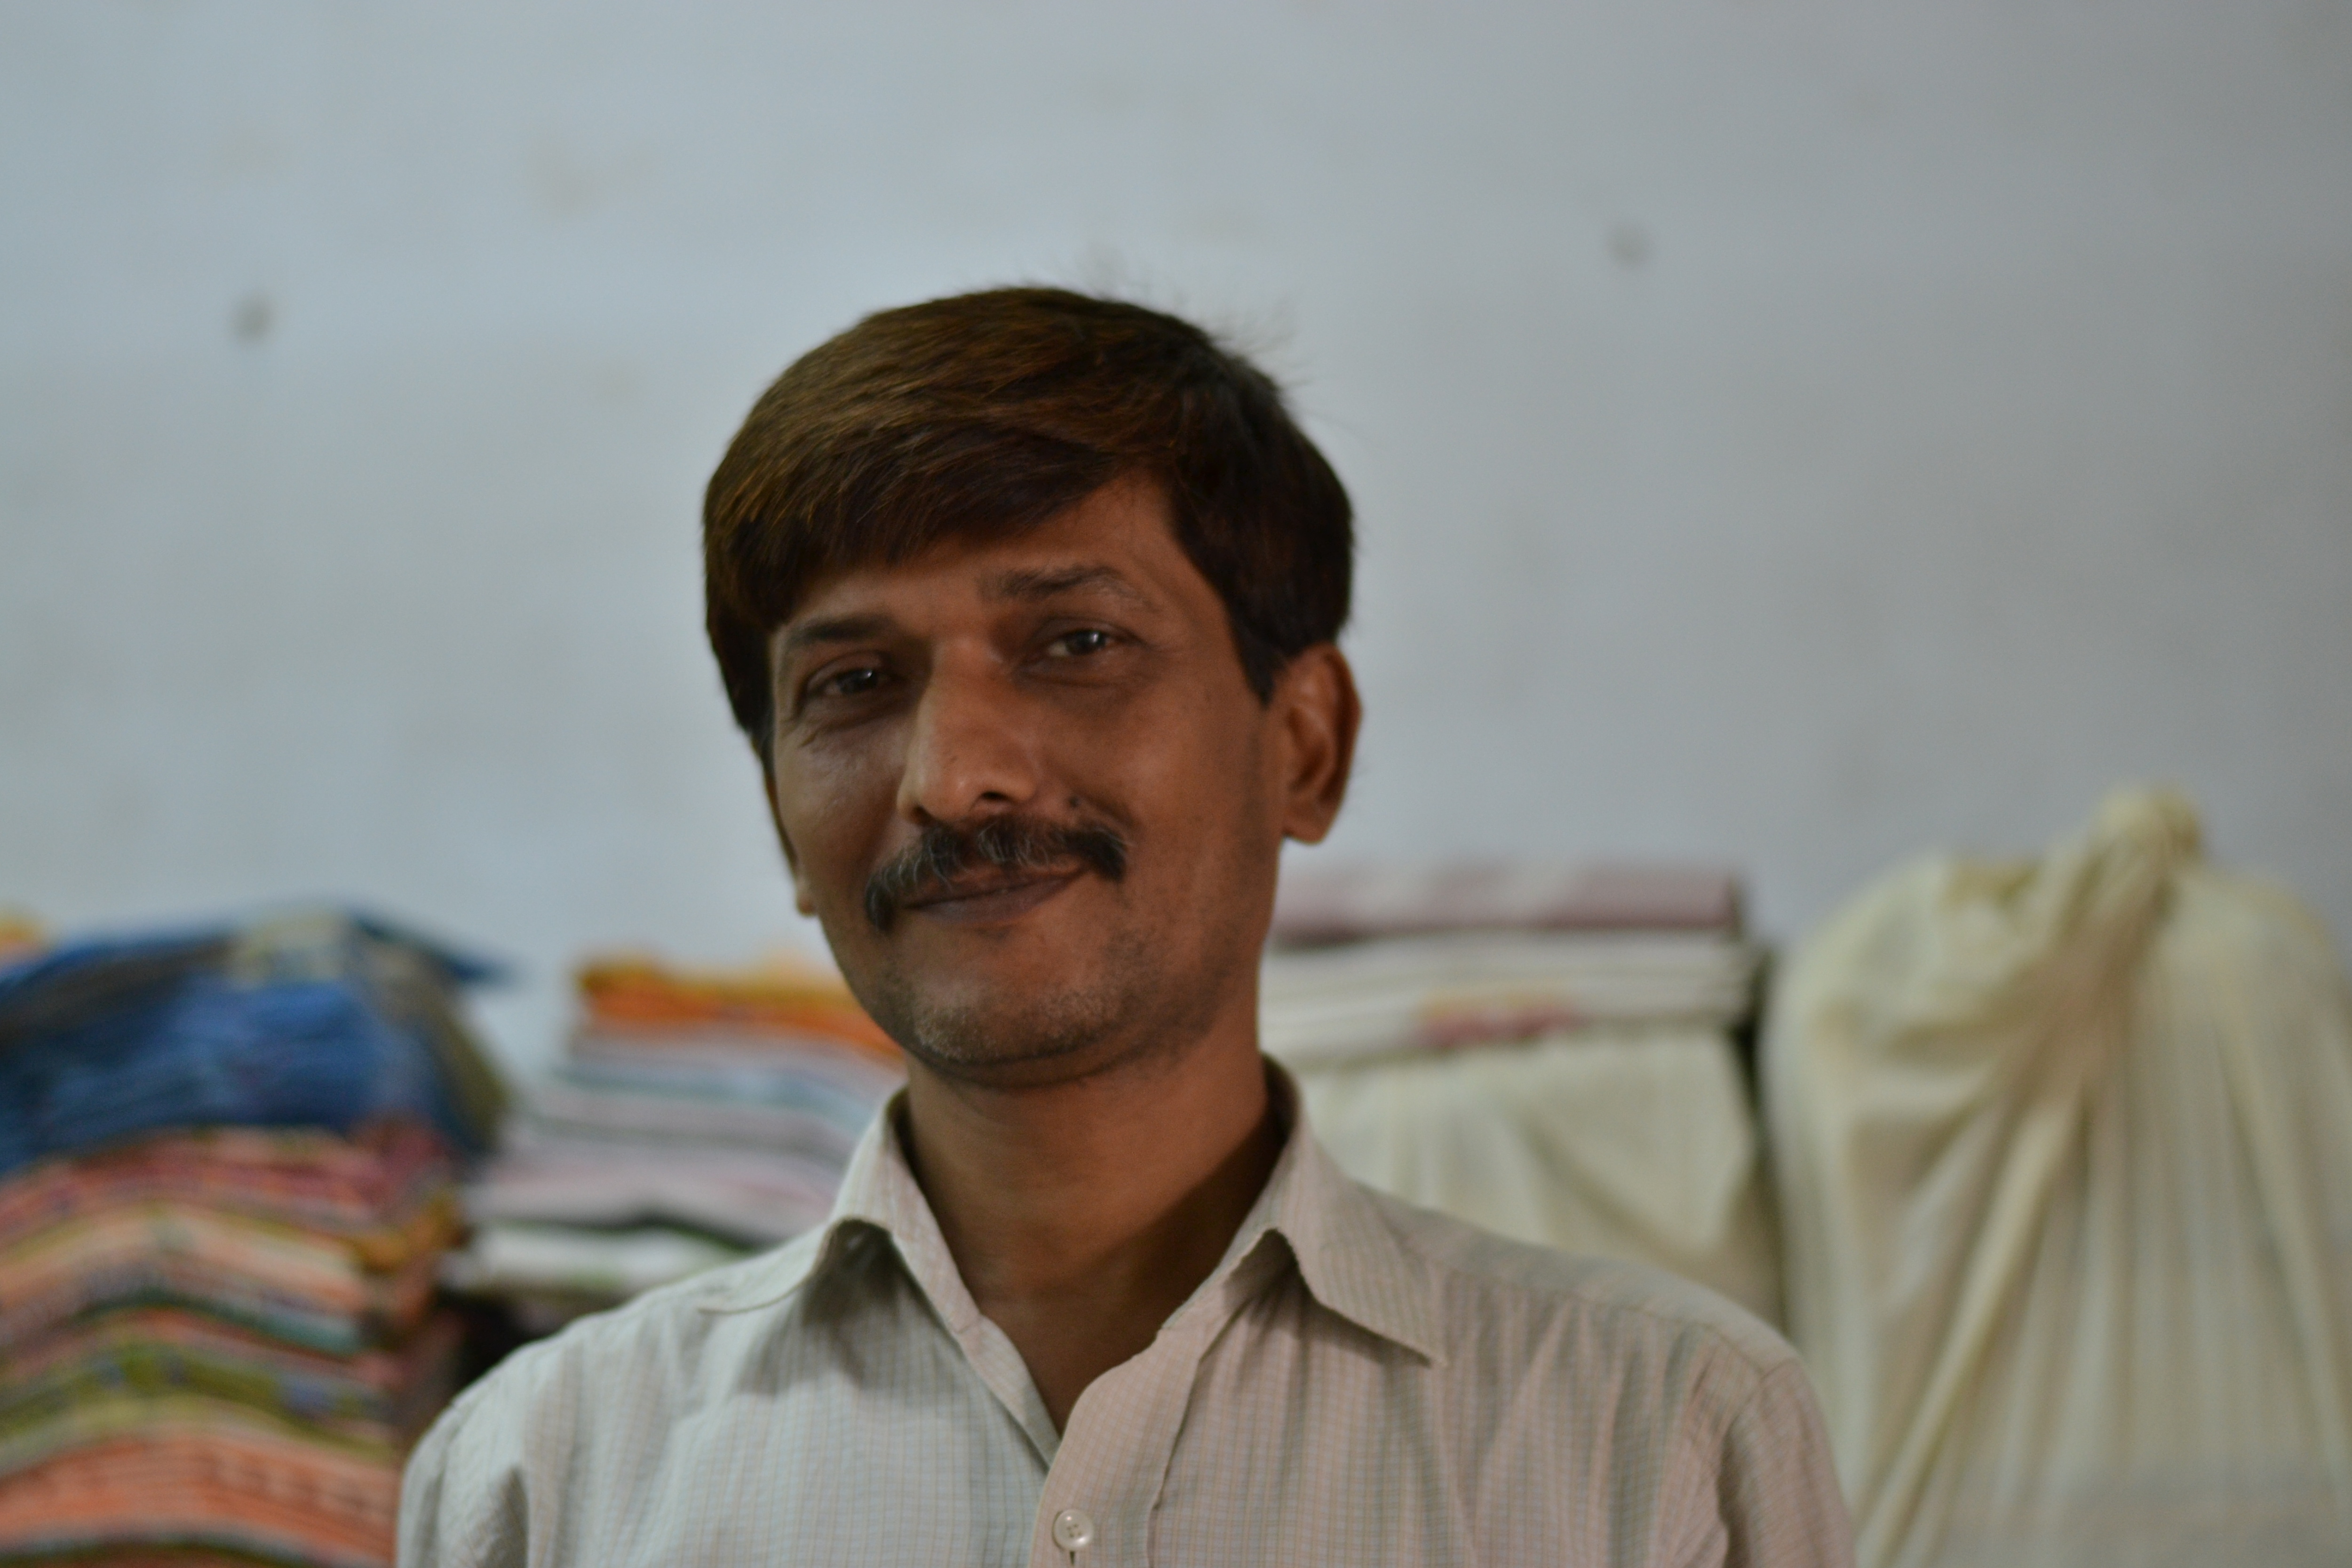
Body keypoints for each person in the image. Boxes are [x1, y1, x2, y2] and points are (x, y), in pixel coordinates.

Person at [398, 287, 1854, 1567]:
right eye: (853, 683)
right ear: (782, 819)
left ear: (1305, 745)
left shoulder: (1664, 1438)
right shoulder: (542, 1480)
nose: (955, 776)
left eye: (1078, 643)